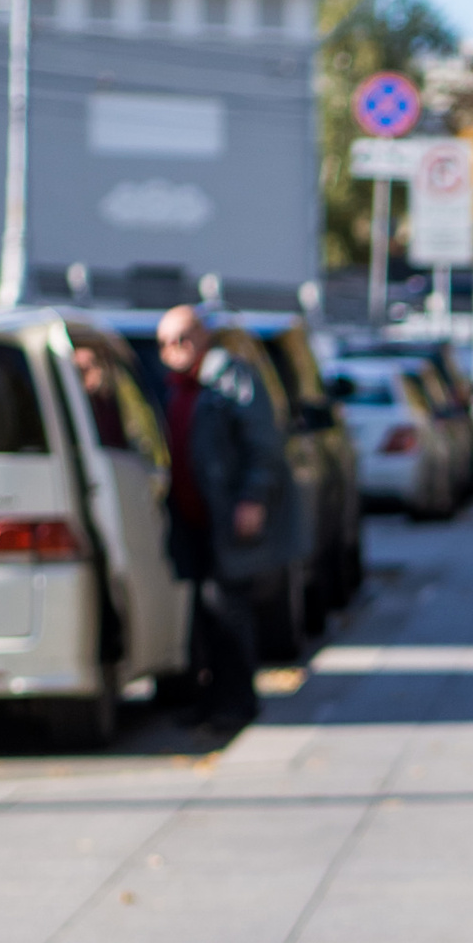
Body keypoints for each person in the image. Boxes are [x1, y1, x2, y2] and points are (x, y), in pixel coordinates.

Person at [154, 304, 289, 737]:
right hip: (191, 518)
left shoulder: (232, 378)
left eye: (182, 339)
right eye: (165, 344)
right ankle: (208, 700)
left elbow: (262, 444)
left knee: (230, 610)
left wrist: (253, 498)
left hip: (227, 515)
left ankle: (237, 702)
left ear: (202, 338)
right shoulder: (176, 388)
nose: (173, 351)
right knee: (203, 615)